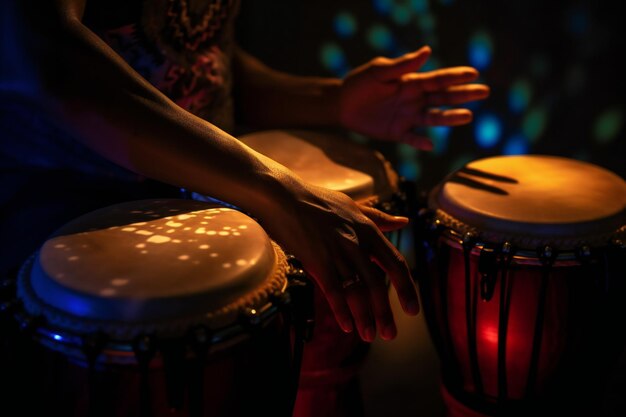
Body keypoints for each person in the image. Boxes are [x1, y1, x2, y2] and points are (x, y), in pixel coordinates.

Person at [0, 0, 489, 344]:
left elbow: (196, 61)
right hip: (61, 236)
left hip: (193, 197)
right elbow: (49, 57)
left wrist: (331, 101)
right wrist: (275, 189)